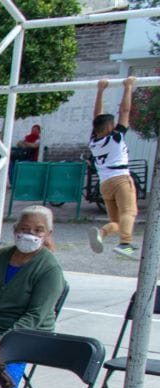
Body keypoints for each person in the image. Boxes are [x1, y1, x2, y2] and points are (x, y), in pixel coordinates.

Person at [0, 206, 65, 388]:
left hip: (26, 333)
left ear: (48, 234)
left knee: (4, 369)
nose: (30, 234)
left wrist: (1, 340)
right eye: (25, 228)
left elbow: (35, 315)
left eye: (38, 230)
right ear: (15, 229)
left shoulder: (49, 268)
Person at [88, 77, 139, 259]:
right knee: (129, 212)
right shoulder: (115, 137)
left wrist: (100, 90)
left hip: (105, 183)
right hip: (120, 179)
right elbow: (125, 110)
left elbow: (96, 117)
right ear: (110, 127)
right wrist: (128, 87)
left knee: (117, 221)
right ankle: (125, 243)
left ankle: (101, 233)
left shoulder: (94, 141)